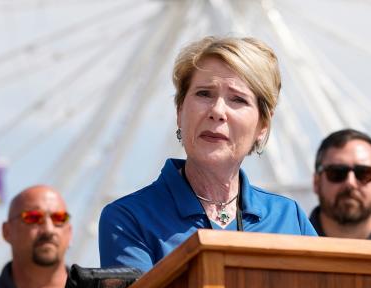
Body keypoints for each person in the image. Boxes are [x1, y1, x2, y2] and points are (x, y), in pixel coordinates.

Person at [98, 35, 316, 271]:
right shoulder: (130, 219)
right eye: (204, 94)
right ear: (180, 110)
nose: (217, 111)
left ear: (262, 125)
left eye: (237, 99)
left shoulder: (288, 217)